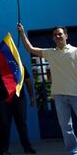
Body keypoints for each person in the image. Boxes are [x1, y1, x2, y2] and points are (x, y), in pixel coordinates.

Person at [18, 23, 77, 154]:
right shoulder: (51, 53)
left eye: (60, 34)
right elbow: (30, 48)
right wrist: (22, 32)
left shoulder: (75, 51)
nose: (57, 36)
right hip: (59, 95)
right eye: (55, 35)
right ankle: (73, 151)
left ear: (66, 36)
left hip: (75, 93)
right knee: (66, 126)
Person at [0, 67, 36, 155]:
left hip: (19, 100)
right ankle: (4, 150)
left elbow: (28, 81)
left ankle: (27, 148)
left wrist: (32, 97)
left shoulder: (20, 67)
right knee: (5, 126)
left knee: (22, 124)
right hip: (3, 101)